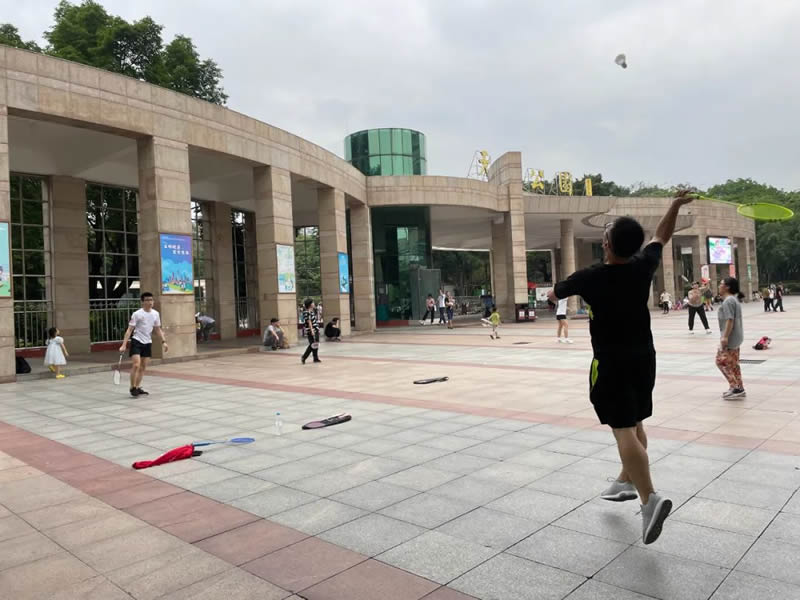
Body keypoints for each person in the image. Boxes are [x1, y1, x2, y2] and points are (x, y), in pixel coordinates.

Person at [547, 190, 694, 545]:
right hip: (644, 358)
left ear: (607, 244)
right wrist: (674, 205)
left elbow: (554, 294)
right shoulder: (644, 265)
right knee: (636, 421)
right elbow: (662, 235)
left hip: (610, 362)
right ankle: (625, 481)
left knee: (623, 430)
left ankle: (650, 499)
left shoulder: (590, 276)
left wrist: (561, 290)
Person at [120, 292, 168, 397]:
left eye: (151, 300)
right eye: (147, 300)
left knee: (143, 367)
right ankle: (132, 387)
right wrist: (123, 345)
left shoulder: (155, 314)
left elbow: (157, 329)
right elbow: (129, 330)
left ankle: (137, 387)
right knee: (136, 365)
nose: (150, 302)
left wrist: (164, 342)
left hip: (147, 342)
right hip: (137, 341)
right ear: (142, 302)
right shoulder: (137, 314)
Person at [717, 277, 746, 399]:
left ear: (727, 287)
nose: (719, 286)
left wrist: (725, 337)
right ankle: (739, 387)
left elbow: (730, 320)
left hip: (731, 337)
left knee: (720, 361)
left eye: (721, 284)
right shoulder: (733, 299)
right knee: (734, 364)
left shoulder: (728, 301)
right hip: (737, 336)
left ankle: (735, 387)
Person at [301, 298, 321, 364]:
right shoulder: (307, 312)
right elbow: (309, 322)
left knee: (315, 344)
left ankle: (315, 358)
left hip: (315, 329)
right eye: (313, 303)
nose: (314, 304)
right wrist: (312, 331)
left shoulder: (311, 311)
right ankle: (304, 357)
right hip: (312, 330)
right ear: (310, 304)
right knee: (312, 345)